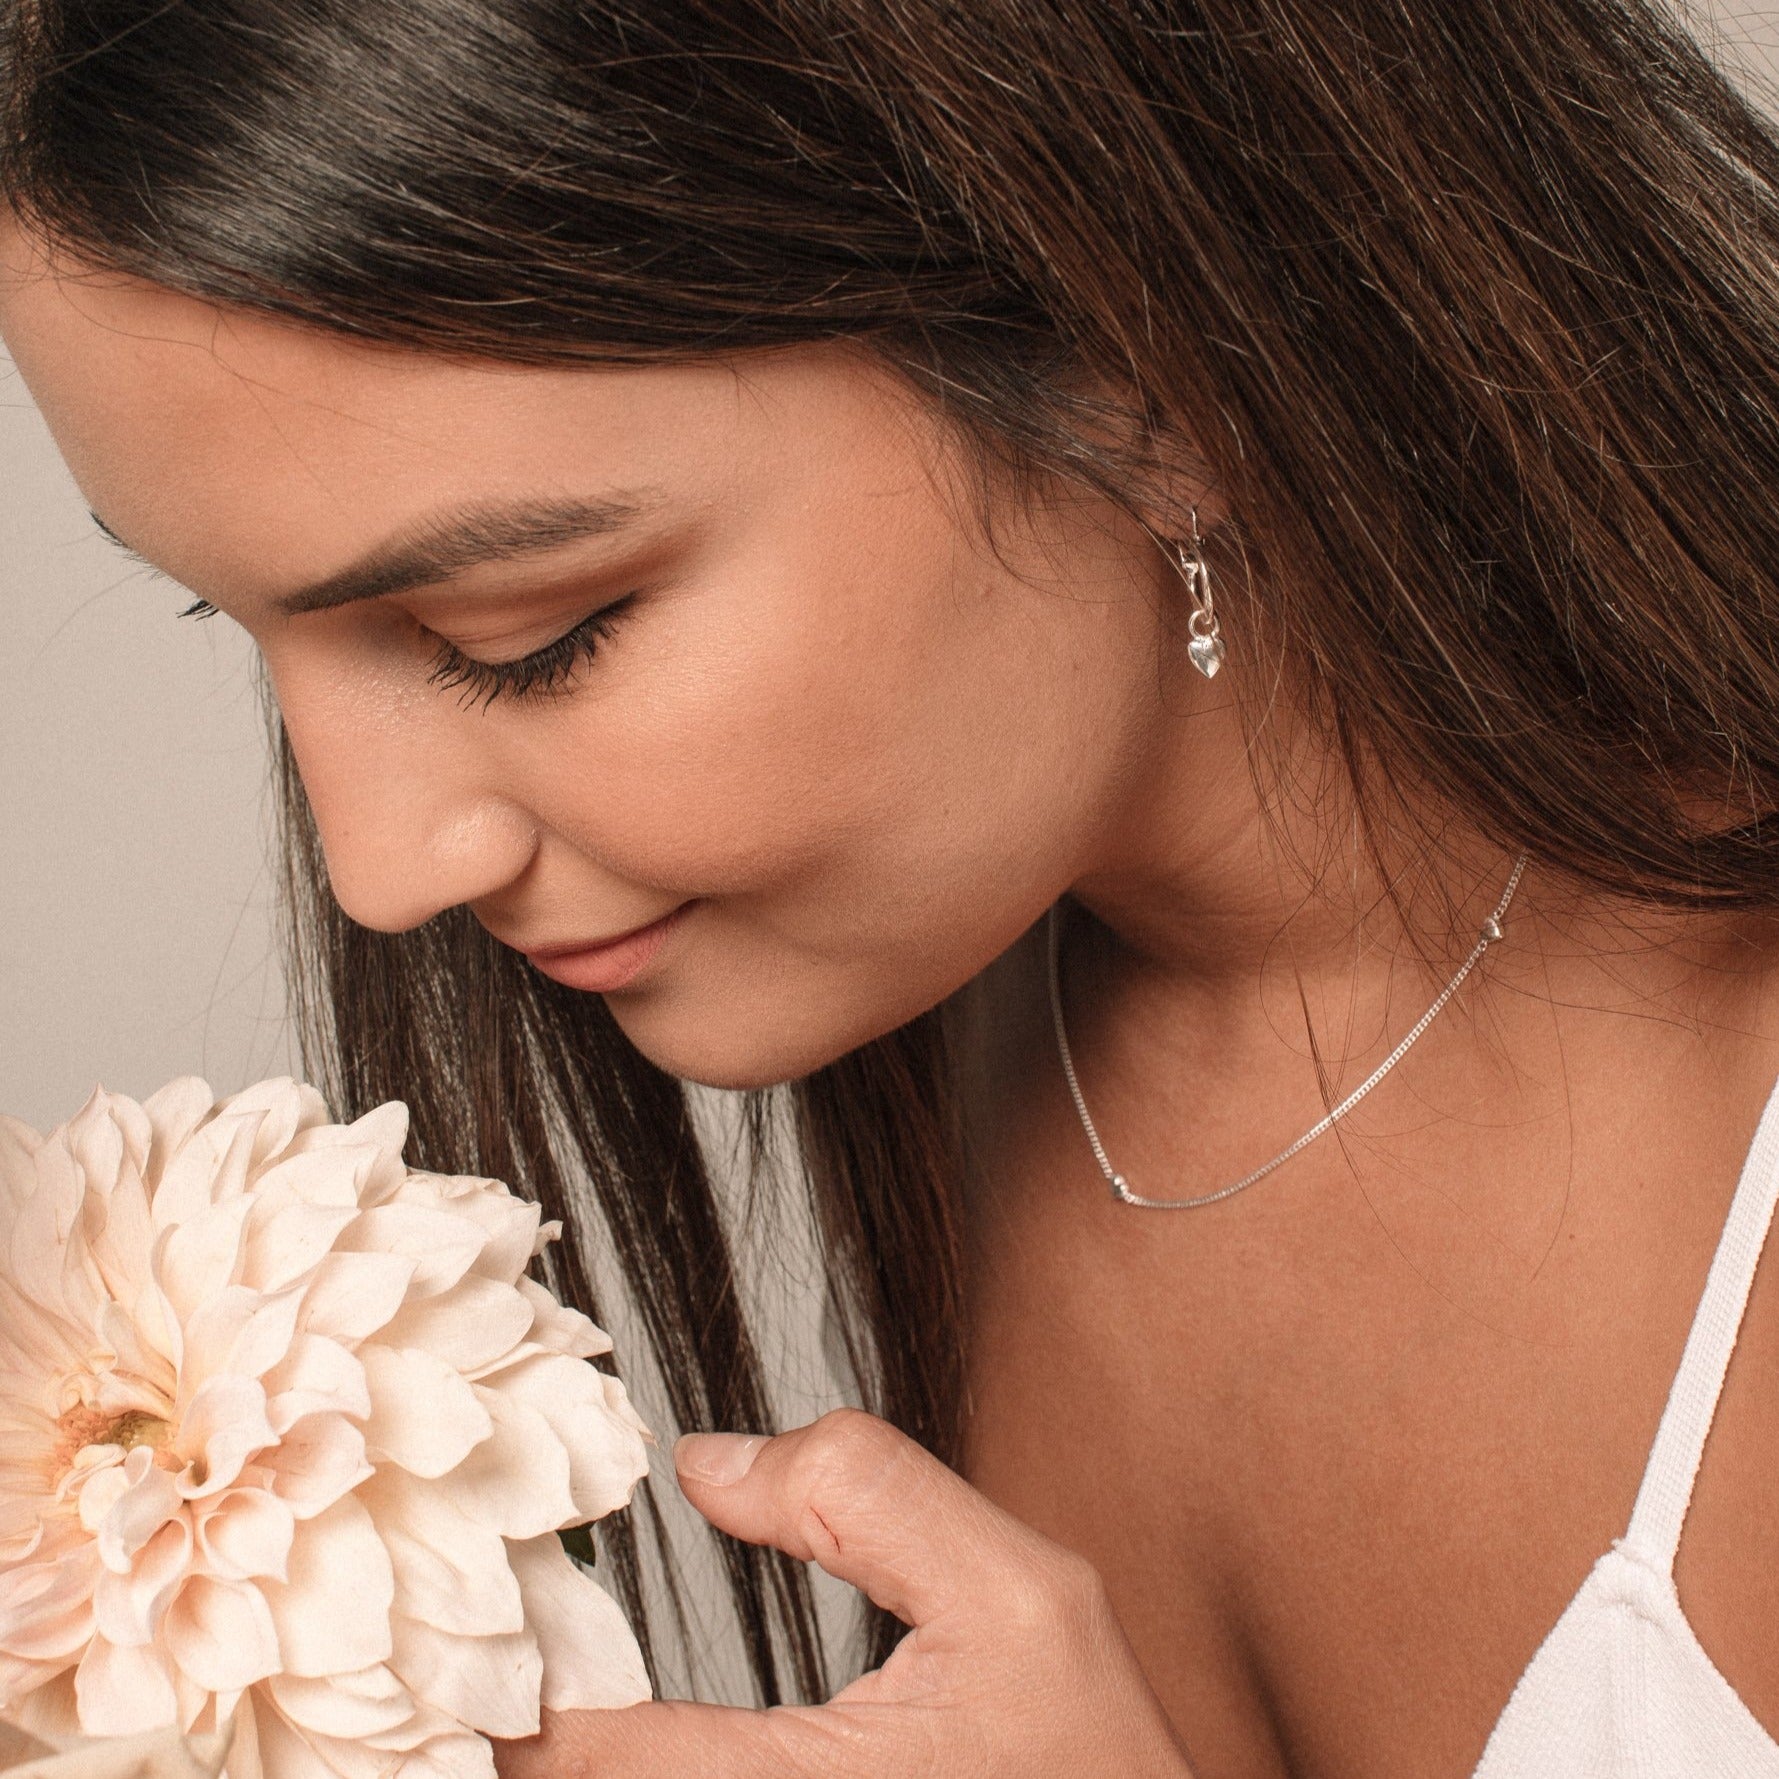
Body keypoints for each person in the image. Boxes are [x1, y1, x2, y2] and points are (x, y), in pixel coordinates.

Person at [6, 0, 1779, 1772]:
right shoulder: (967, 976)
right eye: (230, 624)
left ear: (1153, 369)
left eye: (529, 638)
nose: (378, 873)